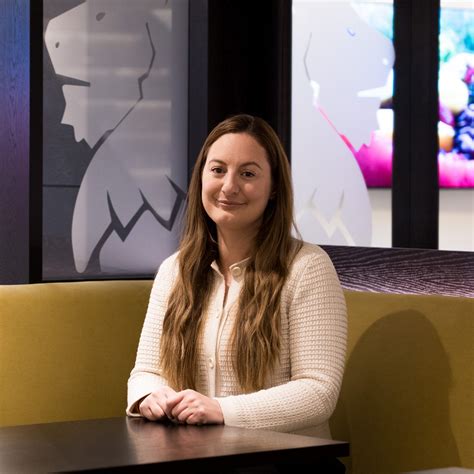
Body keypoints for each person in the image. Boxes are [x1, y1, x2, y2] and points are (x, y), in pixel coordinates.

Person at [126, 114, 347, 472]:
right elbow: (146, 372)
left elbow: (318, 393)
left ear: (273, 187)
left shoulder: (307, 268)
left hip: (288, 465)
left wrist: (221, 410)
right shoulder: (174, 270)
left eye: (248, 174)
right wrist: (150, 396)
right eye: (218, 170)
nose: (229, 186)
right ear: (201, 177)